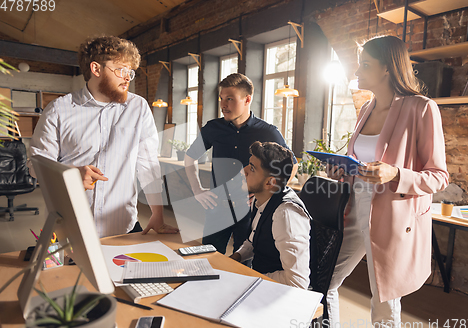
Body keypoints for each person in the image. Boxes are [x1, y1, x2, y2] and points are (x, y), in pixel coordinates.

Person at [325, 35, 449, 328]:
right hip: (353, 209)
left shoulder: (422, 108)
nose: (357, 71)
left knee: (384, 305)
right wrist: (342, 168)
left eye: (365, 65)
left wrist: (395, 174)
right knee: (324, 280)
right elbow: (361, 162)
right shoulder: (366, 108)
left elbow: (439, 176)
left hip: (392, 218)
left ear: (387, 68)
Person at [29, 36, 179, 238]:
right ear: (96, 69)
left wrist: (157, 214)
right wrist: (69, 174)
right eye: (121, 70)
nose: (127, 77)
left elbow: (148, 164)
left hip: (121, 226)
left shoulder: (138, 108)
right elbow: (36, 165)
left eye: (130, 72)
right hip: (70, 227)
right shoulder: (59, 109)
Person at [185, 73, 297, 254]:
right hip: (217, 208)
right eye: (221, 98)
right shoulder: (213, 128)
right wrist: (197, 190)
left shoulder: (268, 131)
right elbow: (190, 157)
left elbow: (292, 165)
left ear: (247, 99)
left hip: (251, 213)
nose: (223, 104)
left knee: (245, 264)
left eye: (230, 99)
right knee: (206, 258)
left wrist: (270, 193)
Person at [230, 141, 310, 289]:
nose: (244, 170)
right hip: (261, 285)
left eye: (252, 168)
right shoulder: (261, 199)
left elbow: (297, 283)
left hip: (277, 295)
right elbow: (253, 240)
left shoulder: (285, 215)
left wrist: (247, 277)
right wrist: (234, 258)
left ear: (270, 182)